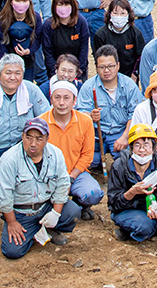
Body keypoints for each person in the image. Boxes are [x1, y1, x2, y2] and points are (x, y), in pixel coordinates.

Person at [0, 117, 80, 258]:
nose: (33, 144)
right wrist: (12, 222)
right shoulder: (9, 159)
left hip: (46, 206)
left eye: (39, 139)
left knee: (72, 211)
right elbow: (5, 196)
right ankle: (34, 234)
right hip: (21, 213)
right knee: (12, 252)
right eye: (29, 138)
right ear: (22, 136)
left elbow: (63, 184)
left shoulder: (56, 154)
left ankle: (48, 229)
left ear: (47, 139)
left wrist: (56, 213)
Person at [0, 54, 52, 181]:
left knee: (29, 181)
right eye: (8, 73)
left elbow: (47, 118)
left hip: (25, 150)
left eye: (17, 73)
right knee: (2, 182)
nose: (13, 77)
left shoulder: (32, 90)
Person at [108, 124, 157, 243]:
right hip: (128, 208)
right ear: (131, 148)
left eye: (146, 145)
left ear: (153, 148)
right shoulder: (119, 165)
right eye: (137, 145)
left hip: (152, 204)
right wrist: (131, 192)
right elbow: (113, 202)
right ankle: (129, 230)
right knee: (144, 226)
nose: (142, 150)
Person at [41, 80, 102, 220]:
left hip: (76, 173)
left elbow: (87, 155)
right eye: (57, 97)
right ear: (51, 99)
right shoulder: (42, 122)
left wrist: (71, 177)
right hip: (48, 175)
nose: (61, 103)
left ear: (74, 101)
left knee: (93, 193)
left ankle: (80, 203)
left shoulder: (85, 121)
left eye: (66, 98)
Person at [75, 45, 144, 170]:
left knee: (124, 159)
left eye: (110, 66)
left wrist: (125, 137)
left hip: (120, 132)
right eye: (102, 67)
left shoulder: (129, 85)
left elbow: (135, 115)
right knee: (91, 162)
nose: (106, 70)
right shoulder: (89, 86)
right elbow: (81, 112)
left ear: (118, 65)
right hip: (96, 134)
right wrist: (90, 116)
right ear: (96, 68)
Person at [0, 0, 44, 82]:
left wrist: (28, 50)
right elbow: (0, 45)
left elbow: (37, 39)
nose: (21, 4)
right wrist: (4, 65)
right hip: (6, 60)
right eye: (17, 1)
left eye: (24, 1)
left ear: (29, 2)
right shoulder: (1, 20)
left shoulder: (35, 18)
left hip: (27, 61)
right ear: (11, 2)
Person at [40, 0, 91, 80]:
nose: (63, 7)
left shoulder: (81, 22)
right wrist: (55, 74)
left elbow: (84, 49)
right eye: (60, 4)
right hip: (56, 72)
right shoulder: (48, 25)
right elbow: (48, 52)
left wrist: (78, 73)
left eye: (66, 4)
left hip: (78, 72)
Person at [92, 0, 145, 78]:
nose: (119, 17)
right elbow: (98, 58)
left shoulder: (135, 33)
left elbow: (140, 56)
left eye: (123, 13)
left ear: (128, 15)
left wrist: (135, 74)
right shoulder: (100, 35)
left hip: (130, 75)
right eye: (115, 13)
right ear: (109, 14)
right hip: (108, 75)